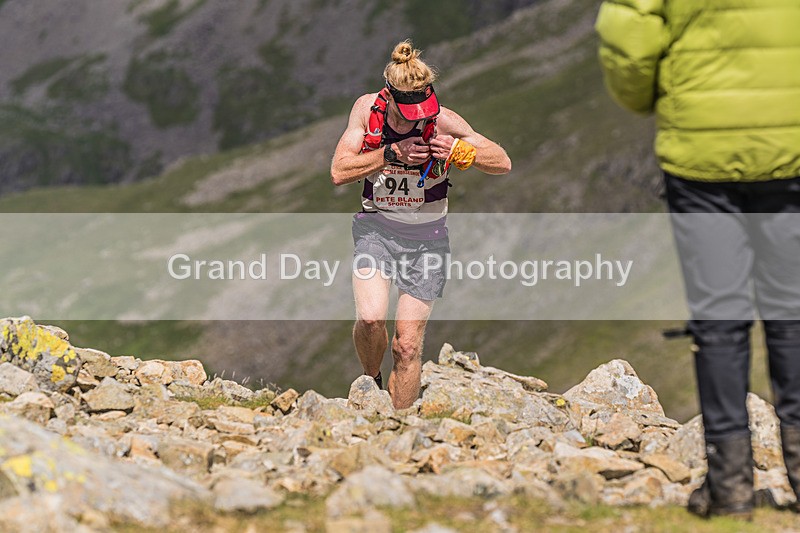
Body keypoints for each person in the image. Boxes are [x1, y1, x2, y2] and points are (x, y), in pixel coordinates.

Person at [596, 0, 800, 520]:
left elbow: (629, 38)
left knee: (720, 316)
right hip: (790, 144)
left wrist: (653, 96)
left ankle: (730, 489)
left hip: (701, 152)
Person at [330, 40, 512, 409]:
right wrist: (389, 154)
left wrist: (464, 153)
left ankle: (399, 425)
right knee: (370, 318)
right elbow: (338, 171)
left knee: (407, 345)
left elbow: (503, 162)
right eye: (411, 112)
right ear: (392, 97)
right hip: (376, 229)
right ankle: (372, 383)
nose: (418, 119)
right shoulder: (368, 111)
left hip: (427, 239)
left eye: (423, 110)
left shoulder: (442, 120)